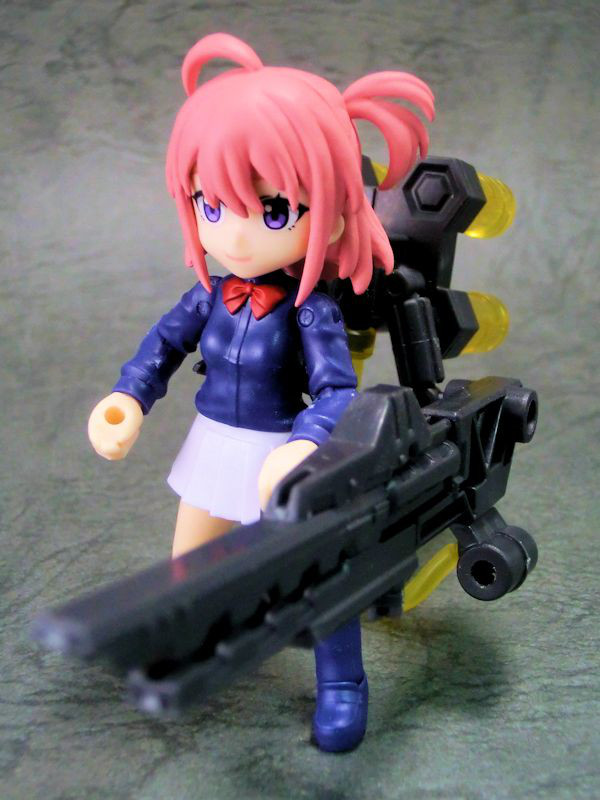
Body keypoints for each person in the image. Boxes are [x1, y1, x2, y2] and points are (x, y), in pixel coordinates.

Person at [87, 32, 434, 752]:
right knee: (188, 566)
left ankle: (342, 681)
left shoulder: (312, 312)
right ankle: (190, 643)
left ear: (333, 210)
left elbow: (336, 390)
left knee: (316, 573)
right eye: (211, 206)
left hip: (279, 457)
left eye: (274, 211)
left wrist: (307, 445)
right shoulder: (207, 296)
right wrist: (127, 400)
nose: (238, 236)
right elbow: (161, 349)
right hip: (212, 444)